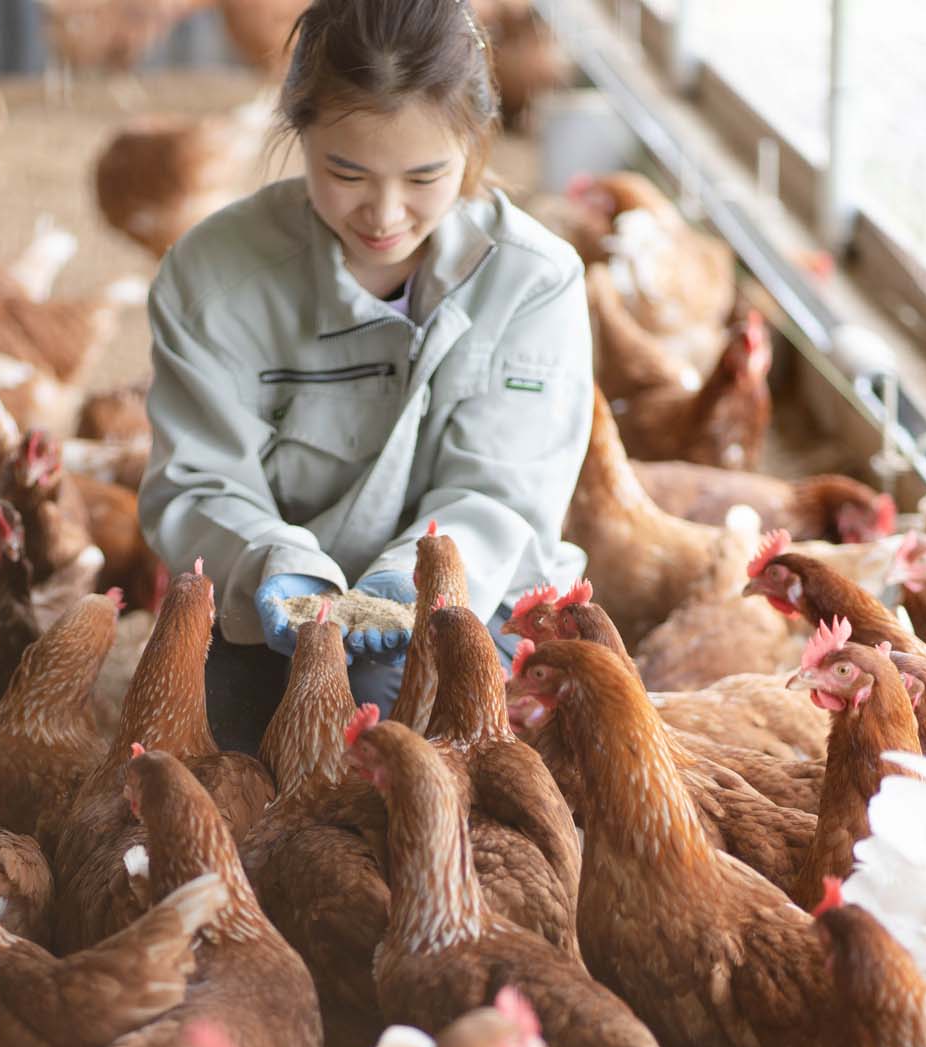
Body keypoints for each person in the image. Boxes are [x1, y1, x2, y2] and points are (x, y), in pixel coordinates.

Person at [139, 0, 594, 755]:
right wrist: (270, 562)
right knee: (238, 765)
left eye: (425, 177)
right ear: (299, 130)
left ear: (475, 145)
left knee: (426, 738)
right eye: (344, 171)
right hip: (276, 609)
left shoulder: (533, 281)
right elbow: (196, 482)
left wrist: (411, 594)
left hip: (472, 602)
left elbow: (500, 495)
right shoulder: (214, 276)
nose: (384, 213)